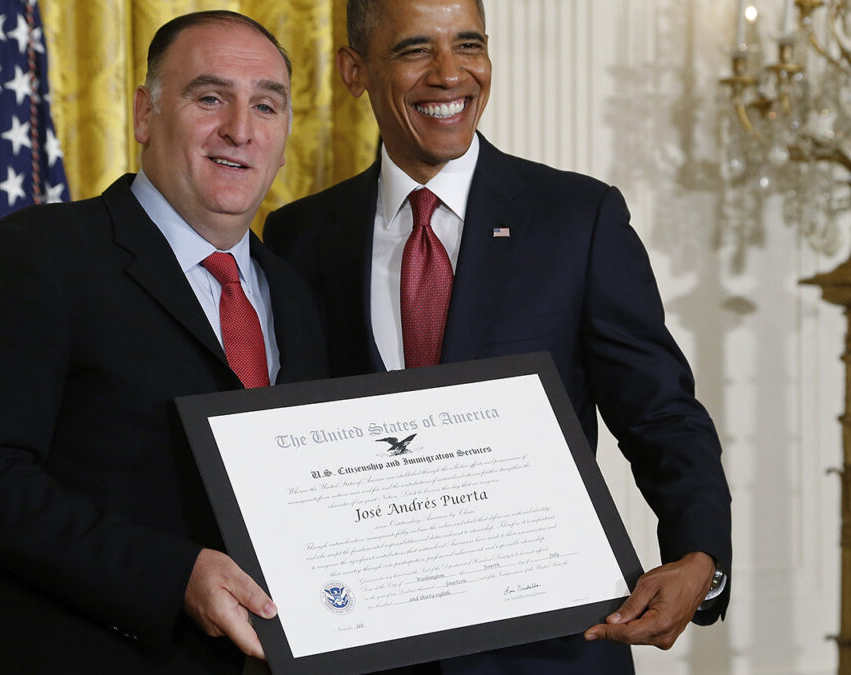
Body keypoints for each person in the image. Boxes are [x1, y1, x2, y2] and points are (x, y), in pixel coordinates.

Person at [263, 0, 731, 671]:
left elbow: (660, 413)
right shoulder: (300, 237)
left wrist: (700, 556)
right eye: (415, 50)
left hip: (551, 652)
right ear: (353, 69)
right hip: (369, 650)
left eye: (469, 44)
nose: (450, 74)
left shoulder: (579, 219)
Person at [0, 11, 328, 673]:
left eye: (267, 106)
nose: (241, 130)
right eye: (210, 97)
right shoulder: (33, 255)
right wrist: (173, 575)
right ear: (144, 115)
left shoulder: (296, 294)